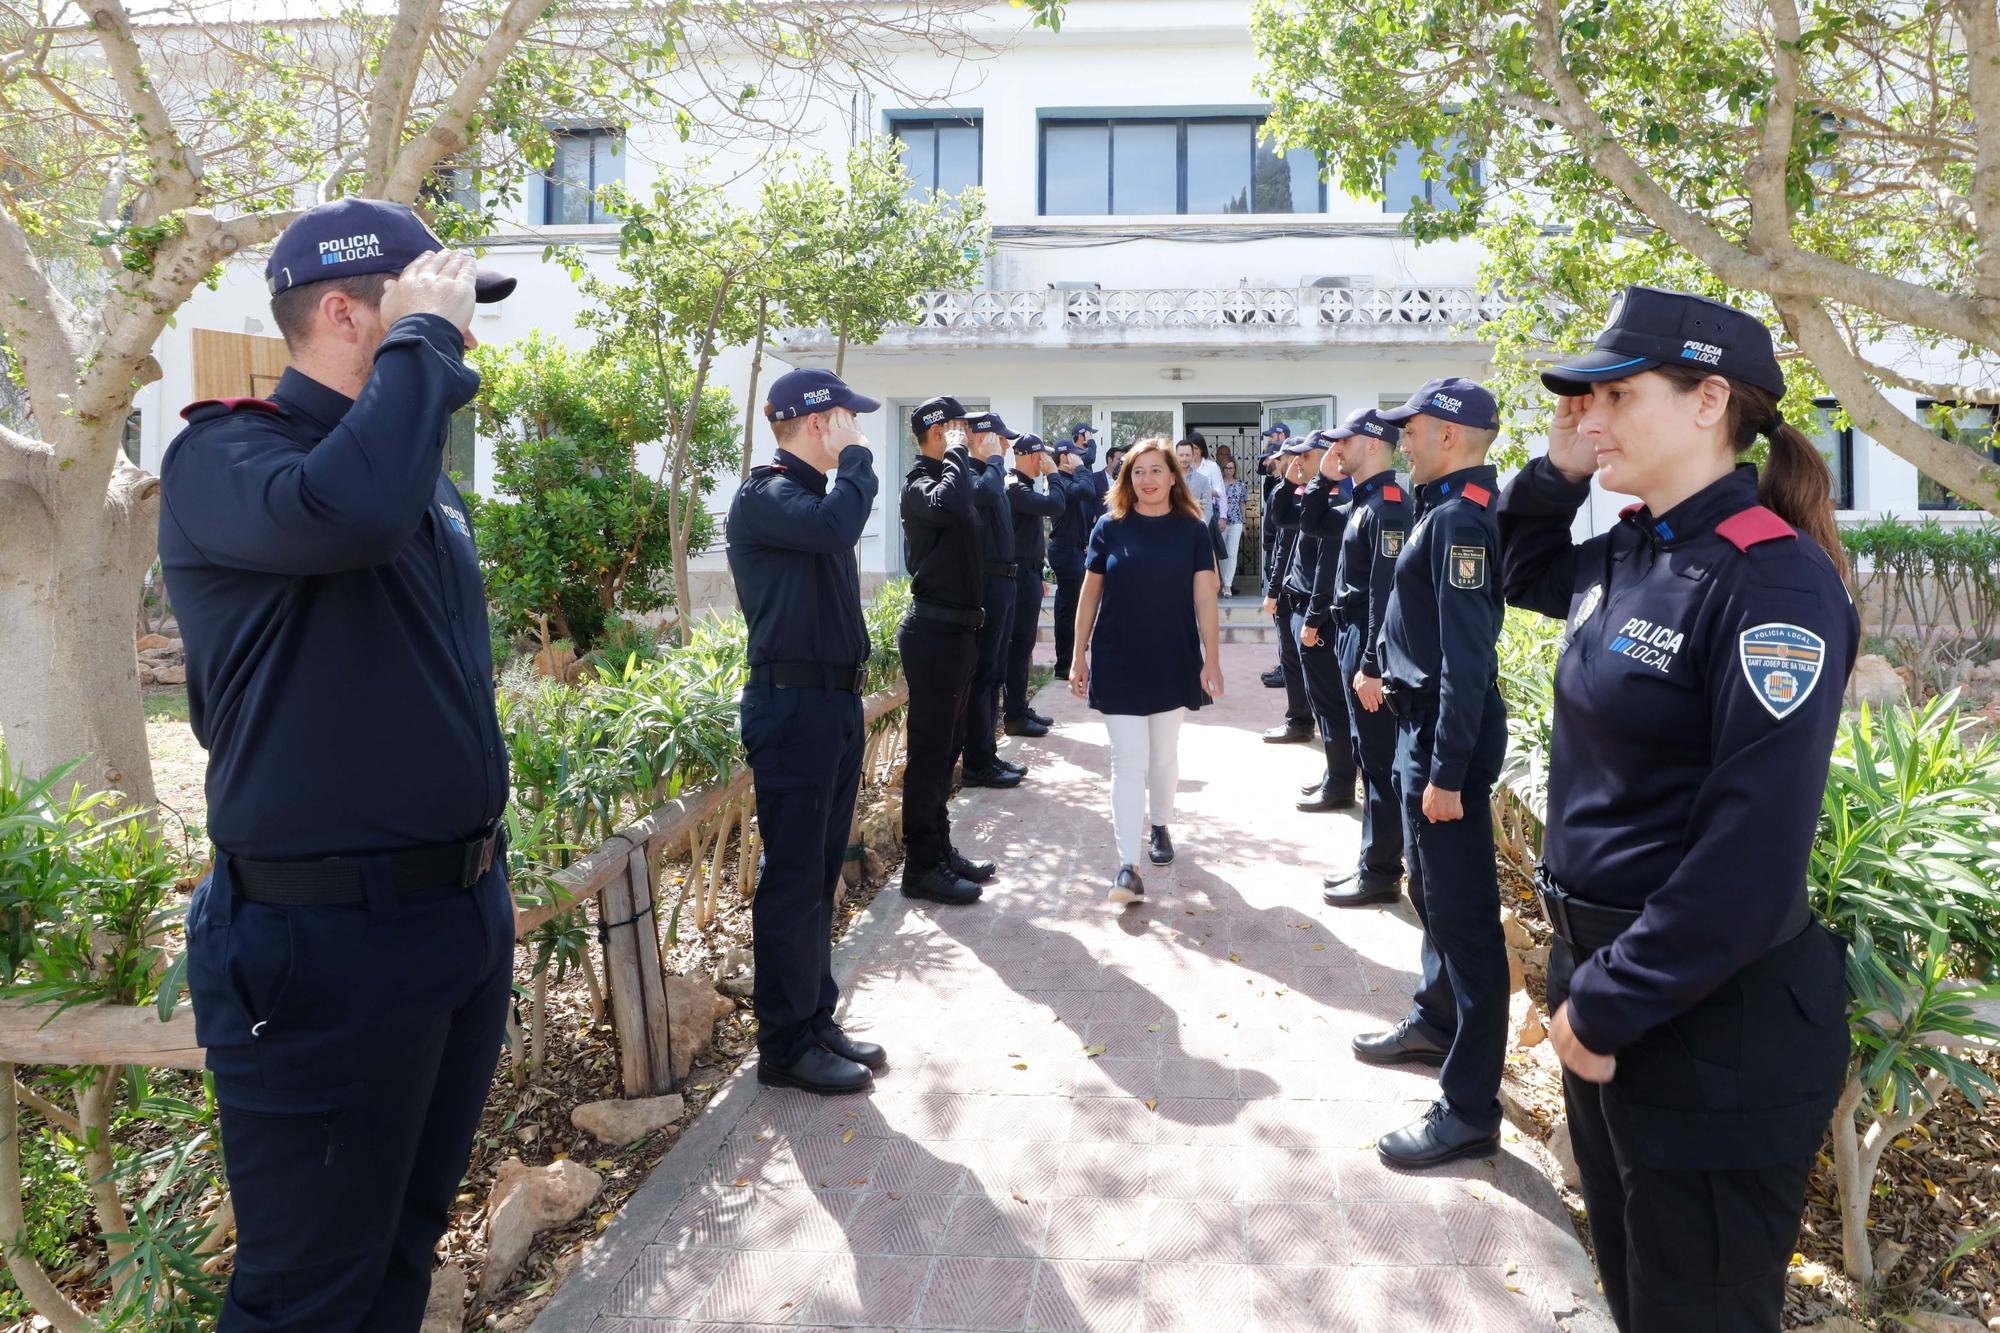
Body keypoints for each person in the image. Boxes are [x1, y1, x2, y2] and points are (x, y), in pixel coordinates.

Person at [159, 198, 517, 1330]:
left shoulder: (411, 477)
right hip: (322, 945)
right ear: (347, 314)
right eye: (434, 316)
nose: (462, 339)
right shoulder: (227, 454)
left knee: (400, 1248)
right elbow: (346, 513)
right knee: (306, 1292)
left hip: (453, 919)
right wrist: (425, 352)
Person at [1497, 287, 1856, 1330]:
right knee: (1633, 1289)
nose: (1587, 414)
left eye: (1613, 394)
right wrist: (1565, 462)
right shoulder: (1633, 545)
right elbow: (1519, 566)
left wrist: (1606, 1005)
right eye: (1583, 398)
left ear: (1708, 401)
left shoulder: (1770, 584)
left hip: (1704, 1019)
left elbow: (1748, 857)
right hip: (1610, 980)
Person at [1352, 376, 1511, 1171]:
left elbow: (1468, 662)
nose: (1399, 442)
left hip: (1445, 743)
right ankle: (1436, 1021)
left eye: (1409, 429)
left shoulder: (1458, 521)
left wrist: (1445, 770)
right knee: (1434, 901)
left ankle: (1471, 1108)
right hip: (1422, 730)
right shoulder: (1441, 508)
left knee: (1466, 923)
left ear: (1448, 434)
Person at [726, 368, 887, 1097]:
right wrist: (858, 463)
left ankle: (815, 1020)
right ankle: (784, 1044)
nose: (857, 432)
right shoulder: (768, 496)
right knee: (792, 881)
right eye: (849, 420)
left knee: (818, 877)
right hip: (792, 711)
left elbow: (832, 527)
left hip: (829, 708)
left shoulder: (808, 498)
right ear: (820, 422)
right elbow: (835, 527)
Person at [1069, 437, 1224, 904]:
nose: (1148, 480)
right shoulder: (1107, 527)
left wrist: (1211, 659)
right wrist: (1078, 654)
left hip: (1172, 656)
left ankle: (1160, 825)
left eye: (1157, 471)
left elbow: (1205, 597)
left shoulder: (1193, 529)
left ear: (1174, 477)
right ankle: (1126, 866)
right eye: (1139, 472)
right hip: (1118, 657)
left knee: (1162, 756)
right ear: (1126, 478)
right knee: (1126, 760)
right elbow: (1089, 595)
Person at [898, 395, 1000, 906]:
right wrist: (959, 455)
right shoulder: (920, 485)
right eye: (958, 429)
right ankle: (921, 867)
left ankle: (939, 849)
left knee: (949, 752)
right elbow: (953, 502)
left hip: (960, 634)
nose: (968, 435)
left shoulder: (951, 479)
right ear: (939, 433)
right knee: (929, 756)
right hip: (933, 635)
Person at [1320, 407, 1412, 907]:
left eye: (1344, 441)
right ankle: (1371, 863)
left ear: (1373, 443)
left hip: (1367, 636)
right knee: (1367, 755)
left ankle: (1380, 874)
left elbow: (1385, 590)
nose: (1336, 449)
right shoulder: (1366, 500)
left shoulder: (1390, 505)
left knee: (1378, 759)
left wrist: (1372, 664)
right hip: (1352, 631)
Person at [955, 410, 1027, 790]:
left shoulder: (992, 475)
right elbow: (982, 493)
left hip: (1005, 582)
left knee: (994, 672)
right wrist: (995, 461)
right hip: (986, 584)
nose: (1005, 445)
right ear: (980, 438)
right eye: (1000, 438)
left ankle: (987, 753)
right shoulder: (969, 475)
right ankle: (977, 762)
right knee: (983, 674)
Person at [1289, 433, 1359, 812]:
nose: (1299, 462)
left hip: (1322, 617)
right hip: (1309, 609)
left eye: (1308, 456)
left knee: (1331, 705)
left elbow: (1325, 570)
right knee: (1324, 704)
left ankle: (1340, 784)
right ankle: (1335, 775)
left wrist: (1313, 618)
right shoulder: (1321, 495)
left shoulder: (1340, 500)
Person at [1003, 433, 1064, 738]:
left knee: (1023, 645)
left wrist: (1038, 574)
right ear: (1031, 455)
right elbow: (1055, 505)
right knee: (1016, 647)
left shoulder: (1022, 486)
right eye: (1043, 456)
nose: (1047, 461)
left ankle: (1019, 707)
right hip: (1016, 577)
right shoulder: (1014, 486)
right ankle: (1013, 715)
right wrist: (1054, 475)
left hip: (1028, 574)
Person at [1260, 434, 1319, 745]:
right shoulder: (1288, 492)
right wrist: (1273, 588)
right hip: (1287, 586)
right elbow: (1281, 544)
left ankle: (1306, 719)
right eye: (1286, 458)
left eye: (1297, 457)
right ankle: (1299, 719)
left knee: (1306, 662)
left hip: (1307, 591)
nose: (1287, 463)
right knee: (1290, 657)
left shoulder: (1320, 493)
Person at [1047, 440, 1095, 679]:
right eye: (1075, 456)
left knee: (1071, 607)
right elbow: (1088, 489)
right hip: (1065, 550)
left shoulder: (1069, 481)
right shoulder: (1062, 483)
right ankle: (1064, 664)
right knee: (1068, 610)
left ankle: (1068, 660)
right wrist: (1079, 468)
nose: (1080, 459)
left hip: (1073, 549)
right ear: (1065, 457)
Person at [1258, 424, 1292, 688]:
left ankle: (1287, 668)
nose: (1270, 462)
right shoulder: (1277, 483)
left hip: (1284, 561)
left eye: (1275, 456)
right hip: (1276, 556)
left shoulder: (1291, 491)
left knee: (1284, 619)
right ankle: (1285, 664)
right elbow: (1263, 467)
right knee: (1281, 620)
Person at [1218, 451, 1248, 593]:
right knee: (1222, 553)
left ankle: (1228, 585)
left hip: (1236, 521)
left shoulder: (1241, 484)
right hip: (1221, 522)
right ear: (1222, 469)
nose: (1229, 471)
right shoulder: (1217, 484)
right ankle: (1224, 582)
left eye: (1231, 468)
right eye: (1226, 468)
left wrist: (1244, 522)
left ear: (1235, 469)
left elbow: (1242, 503)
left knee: (1232, 553)